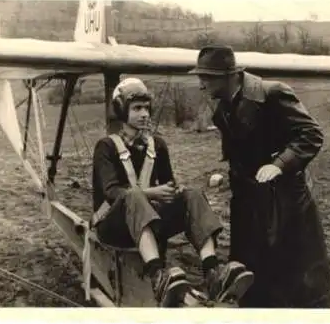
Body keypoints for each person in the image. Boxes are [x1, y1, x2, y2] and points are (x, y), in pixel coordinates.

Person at [188, 45, 330, 308]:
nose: (201, 84)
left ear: (229, 75)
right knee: (251, 276)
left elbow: (311, 134)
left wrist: (280, 164)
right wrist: (227, 175)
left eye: (207, 77)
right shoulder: (223, 110)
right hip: (248, 202)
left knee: (295, 279)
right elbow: (241, 154)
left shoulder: (272, 94)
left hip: (286, 203)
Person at [90, 77, 254, 307]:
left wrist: (175, 193)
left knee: (192, 195)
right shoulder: (105, 147)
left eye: (146, 108)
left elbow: (169, 185)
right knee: (133, 195)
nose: (144, 114)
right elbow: (112, 192)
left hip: (146, 222)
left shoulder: (157, 145)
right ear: (121, 111)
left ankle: (212, 272)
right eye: (137, 108)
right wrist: (152, 193)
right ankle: (158, 276)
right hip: (113, 226)